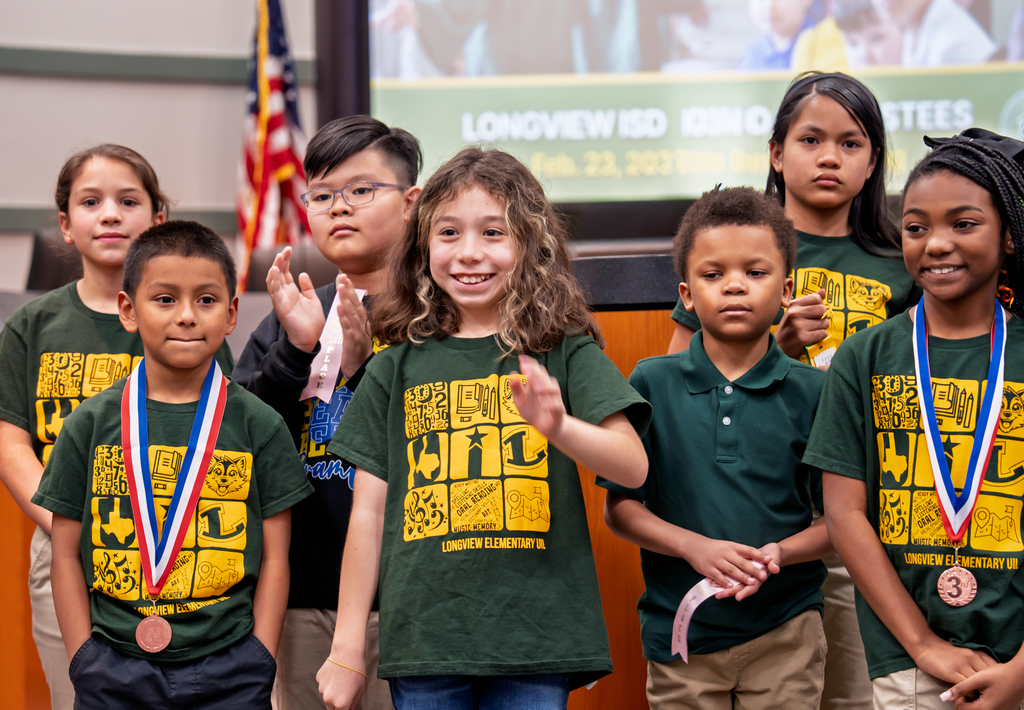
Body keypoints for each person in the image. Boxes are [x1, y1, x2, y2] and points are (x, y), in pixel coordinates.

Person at [315, 147, 651, 710]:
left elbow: (632, 464)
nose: (469, 252)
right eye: (448, 232)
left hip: (535, 639)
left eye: (493, 232)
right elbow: (368, 515)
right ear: (423, 246)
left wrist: (560, 426)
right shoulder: (394, 366)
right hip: (425, 642)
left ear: (529, 245)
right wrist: (347, 648)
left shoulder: (562, 351)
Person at [665, 72, 920, 710]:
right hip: (763, 518)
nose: (829, 156)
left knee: (855, 696)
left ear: (873, 165)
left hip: (865, 514)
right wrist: (775, 351)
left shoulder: (901, 265)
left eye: (851, 143)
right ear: (777, 153)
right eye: (810, 139)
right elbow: (677, 397)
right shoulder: (733, 246)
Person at [30, 221, 312, 709]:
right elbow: (66, 554)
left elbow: (274, 557)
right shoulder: (90, 424)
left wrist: (260, 656)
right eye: (164, 299)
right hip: (112, 666)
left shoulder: (259, 425)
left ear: (231, 315)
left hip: (231, 668)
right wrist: (82, 657)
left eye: (206, 300)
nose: (186, 316)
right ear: (128, 310)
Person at [0, 144, 230, 710]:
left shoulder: (184, 324)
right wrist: (66, 523)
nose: (109, 214)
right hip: (65, 547)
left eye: (128, 201)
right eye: (90, 202)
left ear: (157, 221)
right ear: (66, 224)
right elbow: (11, 445)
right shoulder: (33, 324)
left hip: (176, 550)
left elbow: (217, 436)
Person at [805, 128, 1024, 709]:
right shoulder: (865, 357)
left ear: (1009, 237)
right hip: (906, 664)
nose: (936, 243)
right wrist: (922, 644)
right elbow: (845, 512)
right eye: (916, 226)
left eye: (965, 223)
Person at [603, 186, 830, 709]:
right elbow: (621, 511)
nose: (734, 286)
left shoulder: (814, 391)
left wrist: (780, 553)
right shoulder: (650, 381)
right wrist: (693, 547)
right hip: (680, 635)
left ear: (787, 289)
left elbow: (837, 523)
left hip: (787, 629)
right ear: (685, 295)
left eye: (755, 273)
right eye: (713, 275)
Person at [233, 115, 421, 710]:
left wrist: (366, 365)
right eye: (321, 195)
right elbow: (238, 443)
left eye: (361, 190)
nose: (339, 207)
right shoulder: (288, 316)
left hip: (411, 596)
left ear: (413, 202)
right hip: (302, 593)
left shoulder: (437, 321)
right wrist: (294, 350)